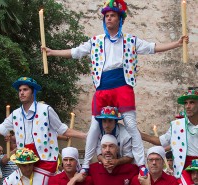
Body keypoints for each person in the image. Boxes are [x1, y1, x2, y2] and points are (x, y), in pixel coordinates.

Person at [42, 0, 189, 172]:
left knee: (131, 125)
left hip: (122, 86)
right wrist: (52, 52)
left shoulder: (130, 40)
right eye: (107, 16)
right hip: (102, 87)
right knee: (95, 126)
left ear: (120, 19)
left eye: (113, 16)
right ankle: (86, 165)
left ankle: (141, 164)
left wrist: (177, 44)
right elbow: (75, 52)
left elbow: (153, 47)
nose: (109, 19)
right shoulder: (96, 41)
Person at [0, 77, 86, 184]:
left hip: (45, 161)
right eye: (20, 90)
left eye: (25, 90)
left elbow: (63, 130)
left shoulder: (46, 110)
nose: (21, 93)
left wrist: (85, 135)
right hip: (25, 161)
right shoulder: (15, 114)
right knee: (7, 182)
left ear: (33, 92)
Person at [141, 89, 198, 178]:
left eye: (192, 103)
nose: (187, 106)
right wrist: (140, 135)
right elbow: (161, 141)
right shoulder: (177, 125)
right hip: (184, 168)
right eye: (186, 103)